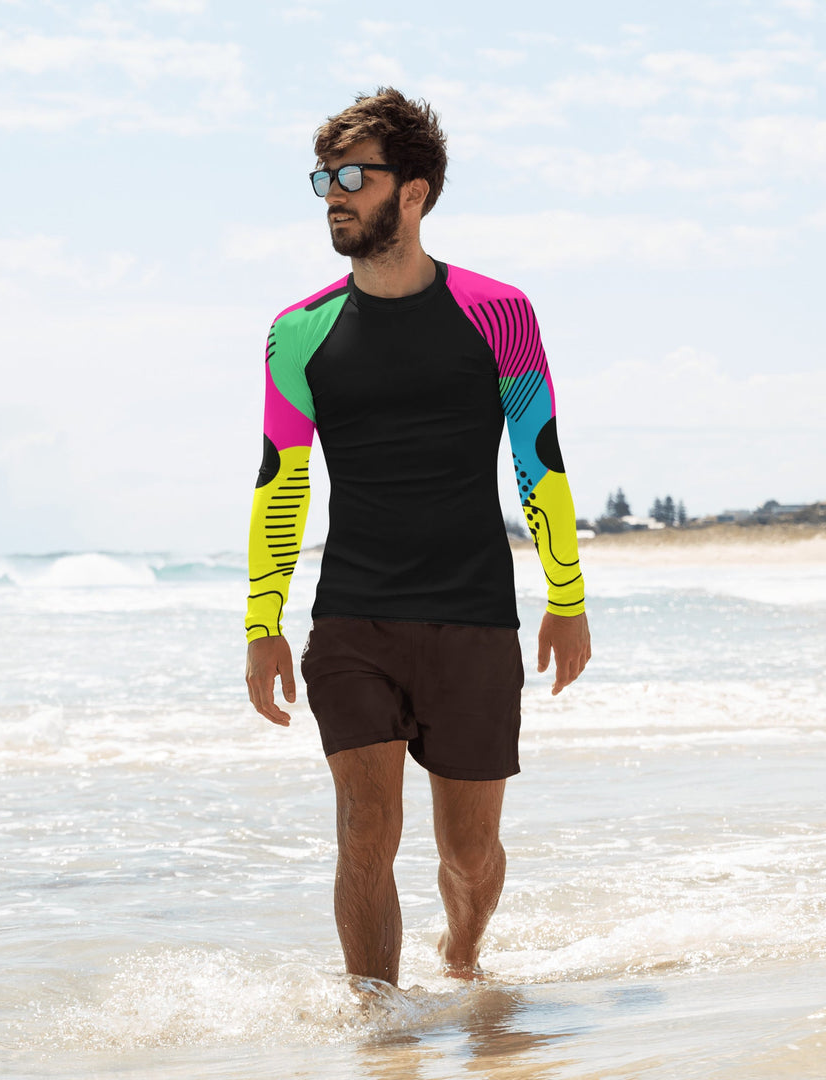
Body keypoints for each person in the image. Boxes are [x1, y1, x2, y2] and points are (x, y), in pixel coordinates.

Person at [245, 88, 591, 987]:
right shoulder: (297, 333)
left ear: (416, 192)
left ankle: (465, 952)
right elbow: (281, 480)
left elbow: (540, 459)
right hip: (354, 618)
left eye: (355, 176)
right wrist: (262, 622)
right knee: (365, 833)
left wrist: (568, 599)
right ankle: (379, 1031)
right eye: (324, 177)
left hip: (473, 614)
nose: (334, 194)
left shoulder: (499, 312)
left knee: (469, 855)